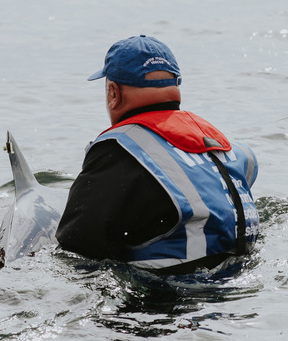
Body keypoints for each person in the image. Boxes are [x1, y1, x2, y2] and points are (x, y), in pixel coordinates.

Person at [56, 35, 259, 273]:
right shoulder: (223, 147)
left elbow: (76, 244)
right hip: (239, 284)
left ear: (113, 93)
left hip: (167, 300)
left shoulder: (119, 150)